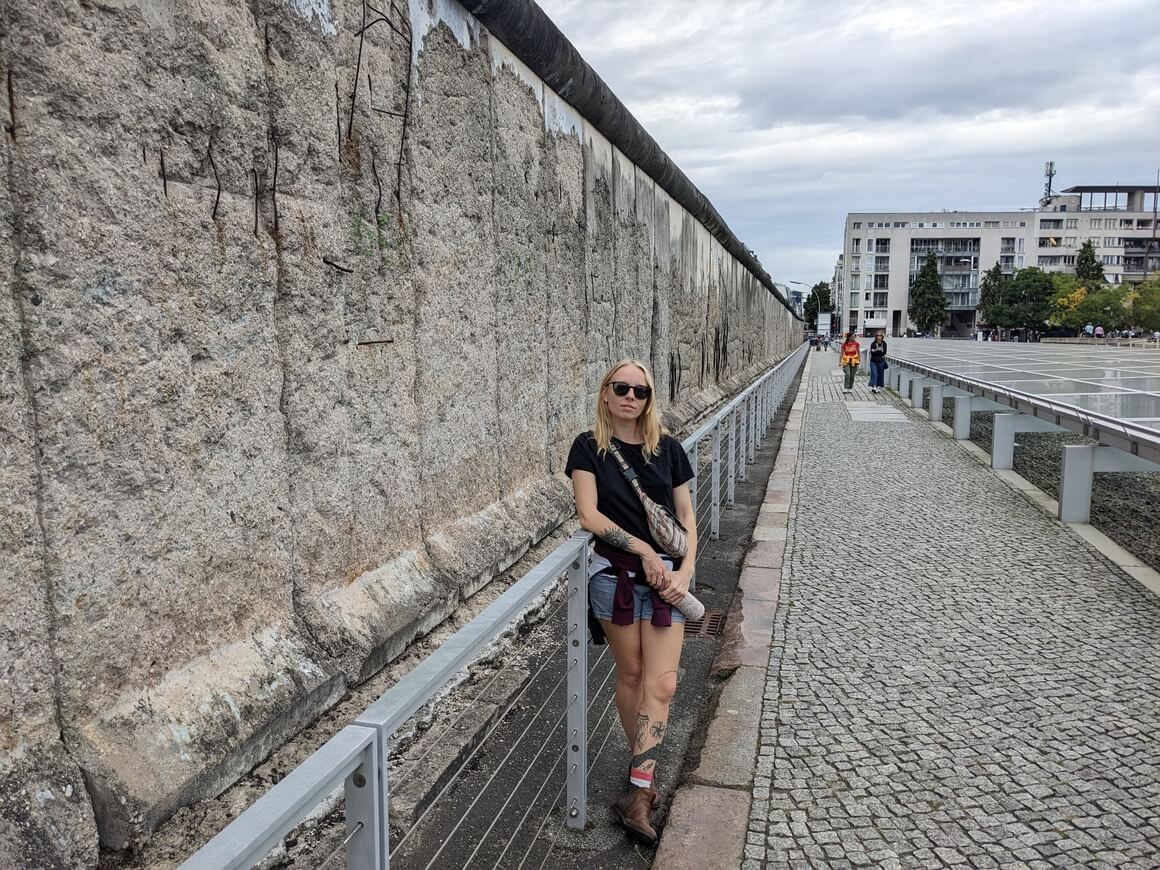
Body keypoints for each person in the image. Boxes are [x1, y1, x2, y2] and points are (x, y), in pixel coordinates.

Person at [565, 359, 697, 845]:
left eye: (640, 391)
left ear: (649, 398)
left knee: (662, 684)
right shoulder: (588, 448)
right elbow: (587, 514)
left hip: (667, 582)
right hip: (614, 577)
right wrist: (641, 549)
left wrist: (683, 571)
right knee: (632, 676)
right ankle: (642, 774)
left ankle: (638, 792)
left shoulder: (670, 450)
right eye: (621, 388)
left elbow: (686, 517)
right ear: (605, 393)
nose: (630, 397)